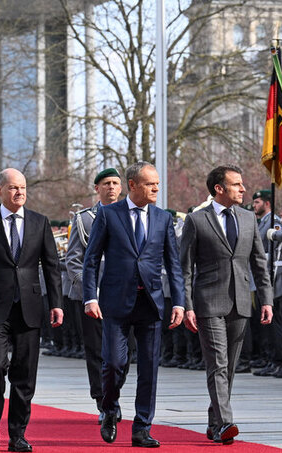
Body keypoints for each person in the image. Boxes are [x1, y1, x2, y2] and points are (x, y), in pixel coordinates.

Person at [82, 161, 185, 448]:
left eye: (157, 183)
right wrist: (90, 297)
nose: (156, 188)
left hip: (150, 304)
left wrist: (179, 301)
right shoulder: (109, 215)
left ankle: (142, 427)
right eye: (150, 183)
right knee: (114, 363)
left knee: (149, 368)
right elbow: (90, 261)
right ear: (132, 185)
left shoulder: (163, 218)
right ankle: (110, 408)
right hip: (115, 303)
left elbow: (173, 265)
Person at [0, 168, 64, 452]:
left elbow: (52, 266)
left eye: (22, 187)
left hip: (30, 308)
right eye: (12, 188)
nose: (19, 192)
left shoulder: (39, 222)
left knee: (24, 374)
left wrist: (56, 303)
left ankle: (17, 434)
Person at [180, 165, 273, 445]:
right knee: (217, 363)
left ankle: (214, 421)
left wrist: (267, 299)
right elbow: (185, 268)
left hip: (241, 302)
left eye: (242, 184)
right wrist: (186, 305)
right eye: (236, 184)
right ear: (218, 189)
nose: (243, 189)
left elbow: (259, 262)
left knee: (229, 366)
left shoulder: (248, 218)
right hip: (208, 302)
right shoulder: (197, 221)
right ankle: (226, 422)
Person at [65, 167, 124, 424]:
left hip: (124, 295)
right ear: (97, 189)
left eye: (115, 183)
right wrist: (90, 290)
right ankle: (103, 400)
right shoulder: (84, 219)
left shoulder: (131, 216)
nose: (111, 187)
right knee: (96, 351)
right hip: (95, 296)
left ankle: (114, 394)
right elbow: (74, 260)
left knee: (122, 353)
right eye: (106, 183)